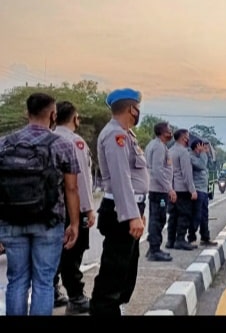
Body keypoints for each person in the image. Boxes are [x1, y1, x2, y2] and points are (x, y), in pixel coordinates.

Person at [0, 93, 80, 316]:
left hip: (11, 220)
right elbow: (72, 189)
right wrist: (74, 224)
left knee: (16, 280)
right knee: (44, 282)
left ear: (27, 113)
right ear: (54, 115)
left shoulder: (4, 143)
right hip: (49, 221)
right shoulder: (63, 144)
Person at [90, 88, 148, 316]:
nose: (138, 112)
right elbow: (121, 178)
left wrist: (138, 211)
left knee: (126, 266)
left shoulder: (126, 134)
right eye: (137, 108)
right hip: (119, 211)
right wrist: (132, 215)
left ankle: (114, 308)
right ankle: (104, 310)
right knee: (114, 268)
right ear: (131, 108)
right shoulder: (116, 136)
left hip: (129, 208)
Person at [52, 101, 96, 314]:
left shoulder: (49, 138)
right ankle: (76, 297)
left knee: (54, 252)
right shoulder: (75, 142)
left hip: (50, 209)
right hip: (72, 208)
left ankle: (51, 292)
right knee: (73, 252)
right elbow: (81, 181)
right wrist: (87, 209)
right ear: (74, 117)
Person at [144, 122, 175, 262]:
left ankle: (153, 248)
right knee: (158, 218)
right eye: (169, 130)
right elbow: (158, 170)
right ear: (163, 132)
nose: (171, 133)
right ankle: (154, 250)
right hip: (159, 190)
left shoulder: (156, 145)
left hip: (156, 189)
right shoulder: (158, 147)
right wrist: (169, 188)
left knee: (155, 218)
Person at [166, 129, 197, 251]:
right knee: (184, 215)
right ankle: (180, 240)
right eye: (188, 137)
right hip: (182, 189)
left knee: (173, 215)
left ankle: (170, 240)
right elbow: (187, 174)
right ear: (184, 138)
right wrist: (192, 190)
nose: (189, 139)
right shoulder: (183, 152)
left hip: (172, 188)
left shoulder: (169, 151)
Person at [188, 140, 217, 247]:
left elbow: (209, 165)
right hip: (197, 190)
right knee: (196, 215)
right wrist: (203, 153)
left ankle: (205, 237)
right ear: (197, 147)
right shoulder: (191, 156)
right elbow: (201, 165)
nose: (204, 149)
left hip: (204, 190)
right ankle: (191, 238)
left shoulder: (201, 156)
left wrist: (207, 153)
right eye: (202, 146)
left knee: (204, 215)